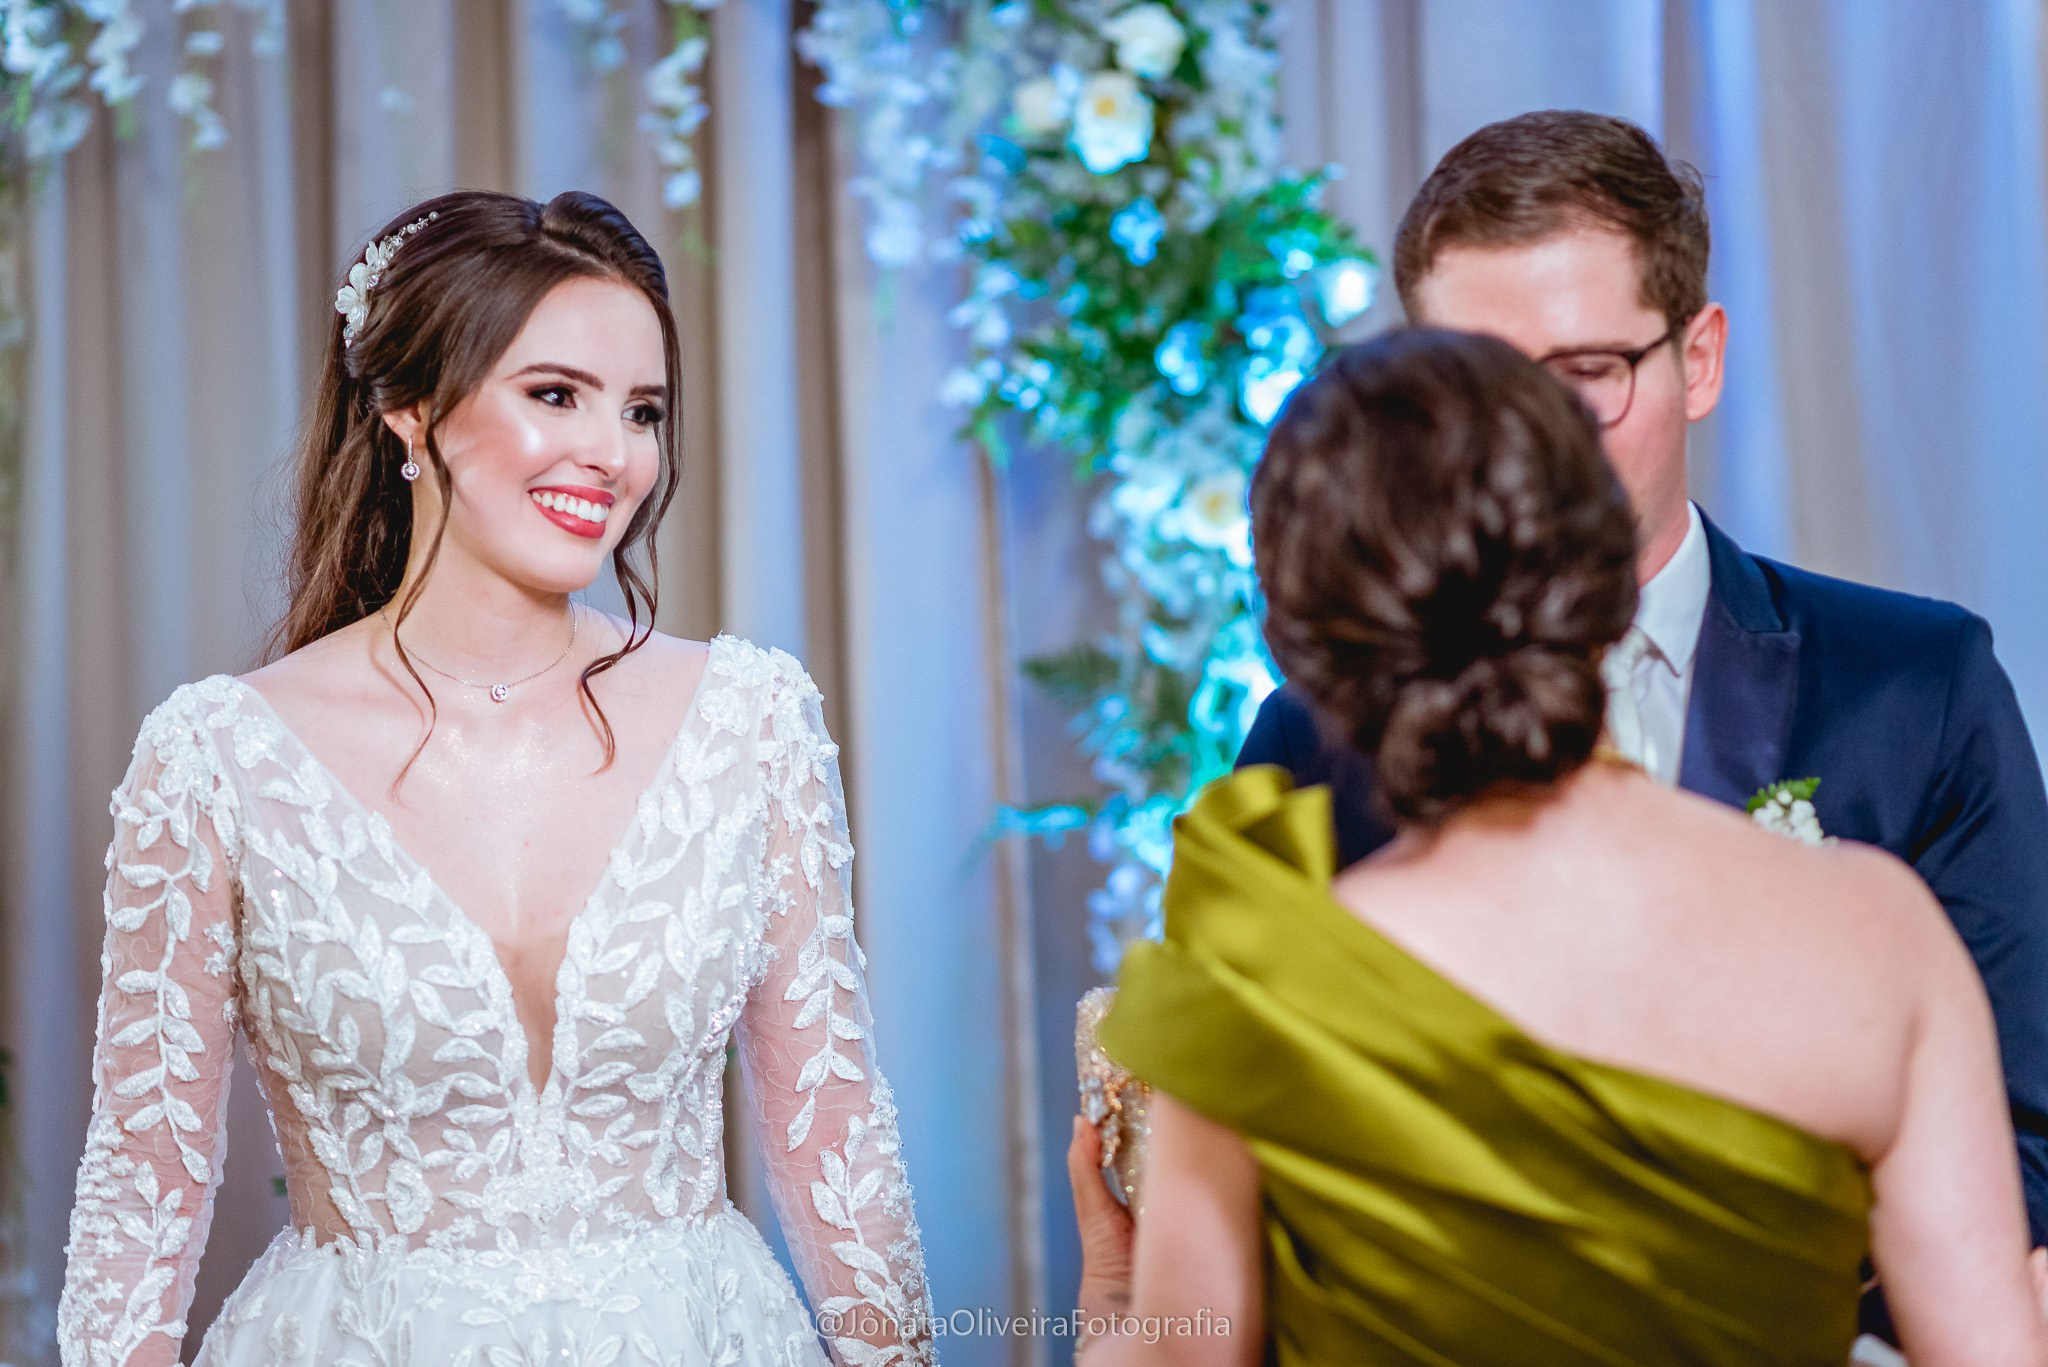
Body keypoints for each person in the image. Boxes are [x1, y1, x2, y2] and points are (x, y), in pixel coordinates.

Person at [56, 190, 935, 1366]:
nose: (612, 454)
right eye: (554, 394)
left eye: (642, 411)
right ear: (409, 411)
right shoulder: (215, 757)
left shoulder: (752, 719)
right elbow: (141, 1183)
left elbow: (834, 1132)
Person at [1071, 327, 2046, 1365]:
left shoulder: (1250, 993)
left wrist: (1116, 1299)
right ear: (1601, 569)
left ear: (1298, 649)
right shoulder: (1875, 931)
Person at [1235, 111, 2048, 1339]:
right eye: (1483, 388)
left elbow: (2025, 1136)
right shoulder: (1306, 739)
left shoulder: (1913, 684)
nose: (1531, 449)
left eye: (1585, 377)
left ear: (1698, 358)